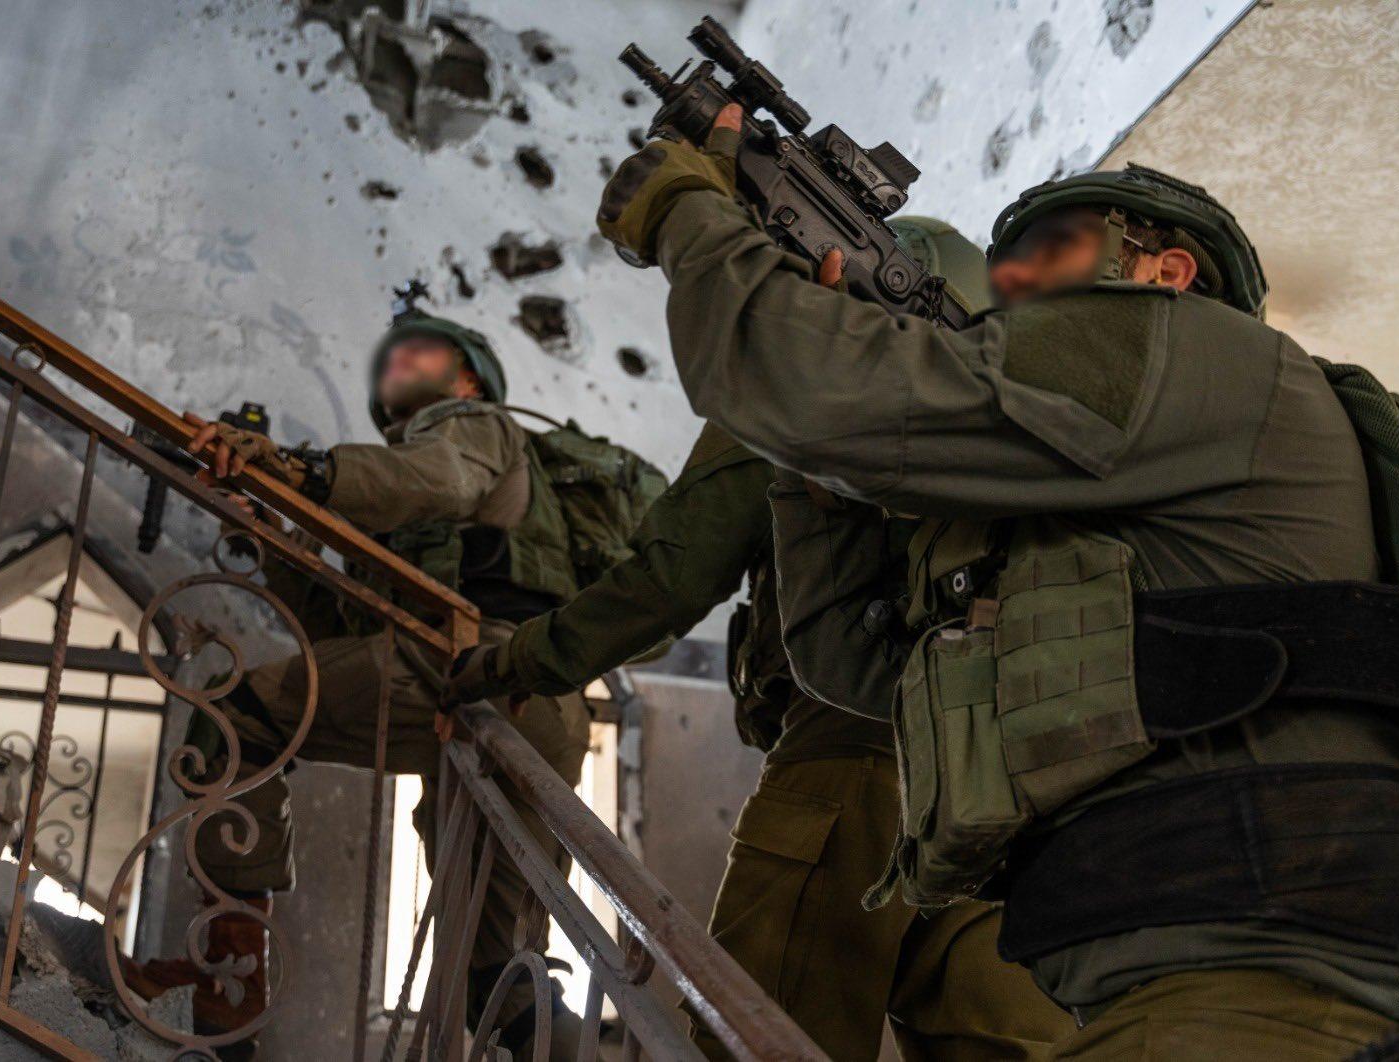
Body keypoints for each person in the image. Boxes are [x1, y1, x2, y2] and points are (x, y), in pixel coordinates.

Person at [594, 102, 1399, 1058]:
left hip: (1266, 974)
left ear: (1169, 270)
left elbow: (805, 389)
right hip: (1170, 979)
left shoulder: (1204, 349)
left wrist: (689, 216)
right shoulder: (1085, 507)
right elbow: (862, 667)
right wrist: (823, 467)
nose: (1014, 276)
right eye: (1004, 262)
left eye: (1052, 245)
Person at [444, 218, 1072, 1060]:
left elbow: (669, 579)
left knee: (757, 1043)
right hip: (1006, 791)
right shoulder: (1011, 415)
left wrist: (517, 658)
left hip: (849, 770)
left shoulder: (805, 393)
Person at [134, 309, 591, 1055]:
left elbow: (439, 478)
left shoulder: (473, 427)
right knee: (501, 982)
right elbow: (340, 643)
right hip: (485, 691)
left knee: (235, 711)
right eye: (390, 352)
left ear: (470, 377)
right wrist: (273, 531)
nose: (397, 357)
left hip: (490, 662)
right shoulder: (388, 496)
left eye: (423, 349)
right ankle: (234, 977)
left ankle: (232, 977)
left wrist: (305, 473)